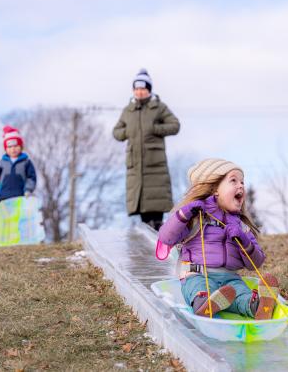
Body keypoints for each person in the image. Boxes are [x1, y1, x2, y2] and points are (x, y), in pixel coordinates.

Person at [157, 158, 279, 319]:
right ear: (214, 188)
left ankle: (257, 307)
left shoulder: (240, 225)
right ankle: (204, 304)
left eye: (242, 182)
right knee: (198, 287)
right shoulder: (195, 217)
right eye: (233, 180)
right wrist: (184, 214)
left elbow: (255, 263)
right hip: (197, 274)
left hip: (230, 278)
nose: (241, 185)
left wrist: (244, 240)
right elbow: (166, 237)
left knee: (239, 293)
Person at [113, 68, 180, 230]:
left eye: (143, 89)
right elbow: (116, 132)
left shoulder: (159, 107)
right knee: (142, 206)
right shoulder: (128, 111)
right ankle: (146, 230)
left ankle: (158, 232)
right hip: (136, 166)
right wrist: (127, 132)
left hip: (154, 165)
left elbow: (175, 125)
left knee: (156, 206)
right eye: (136, 89)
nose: (139, 92)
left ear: (149, 90)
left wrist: (155, 129)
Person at [0, 126, 37, 203]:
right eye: (10, 147)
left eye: (16, 146)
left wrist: (28, 189)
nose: (13, 149)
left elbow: (31, 177)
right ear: (5, 149)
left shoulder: (26, 162)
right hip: (4, 198)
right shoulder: (1, 164)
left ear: (21, 147)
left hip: (21, 197)